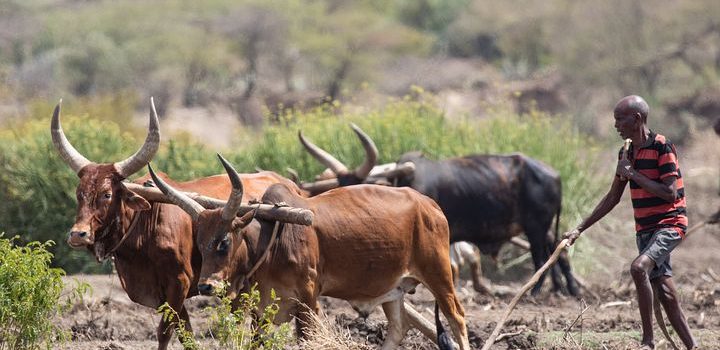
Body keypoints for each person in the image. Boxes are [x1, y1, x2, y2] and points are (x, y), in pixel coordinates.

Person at [564, 95, 697, 349]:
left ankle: (647, 341)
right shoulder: (626, 152)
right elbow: (613, 197)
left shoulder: (662, 147)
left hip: (671, 223)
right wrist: (579, 229)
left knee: (638, 268)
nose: (616, 126)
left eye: (619, 120)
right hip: (644, 229)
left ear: (636, 119)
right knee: (666, 294)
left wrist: (632, 173)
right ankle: (693, 346)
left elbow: (670, 193)